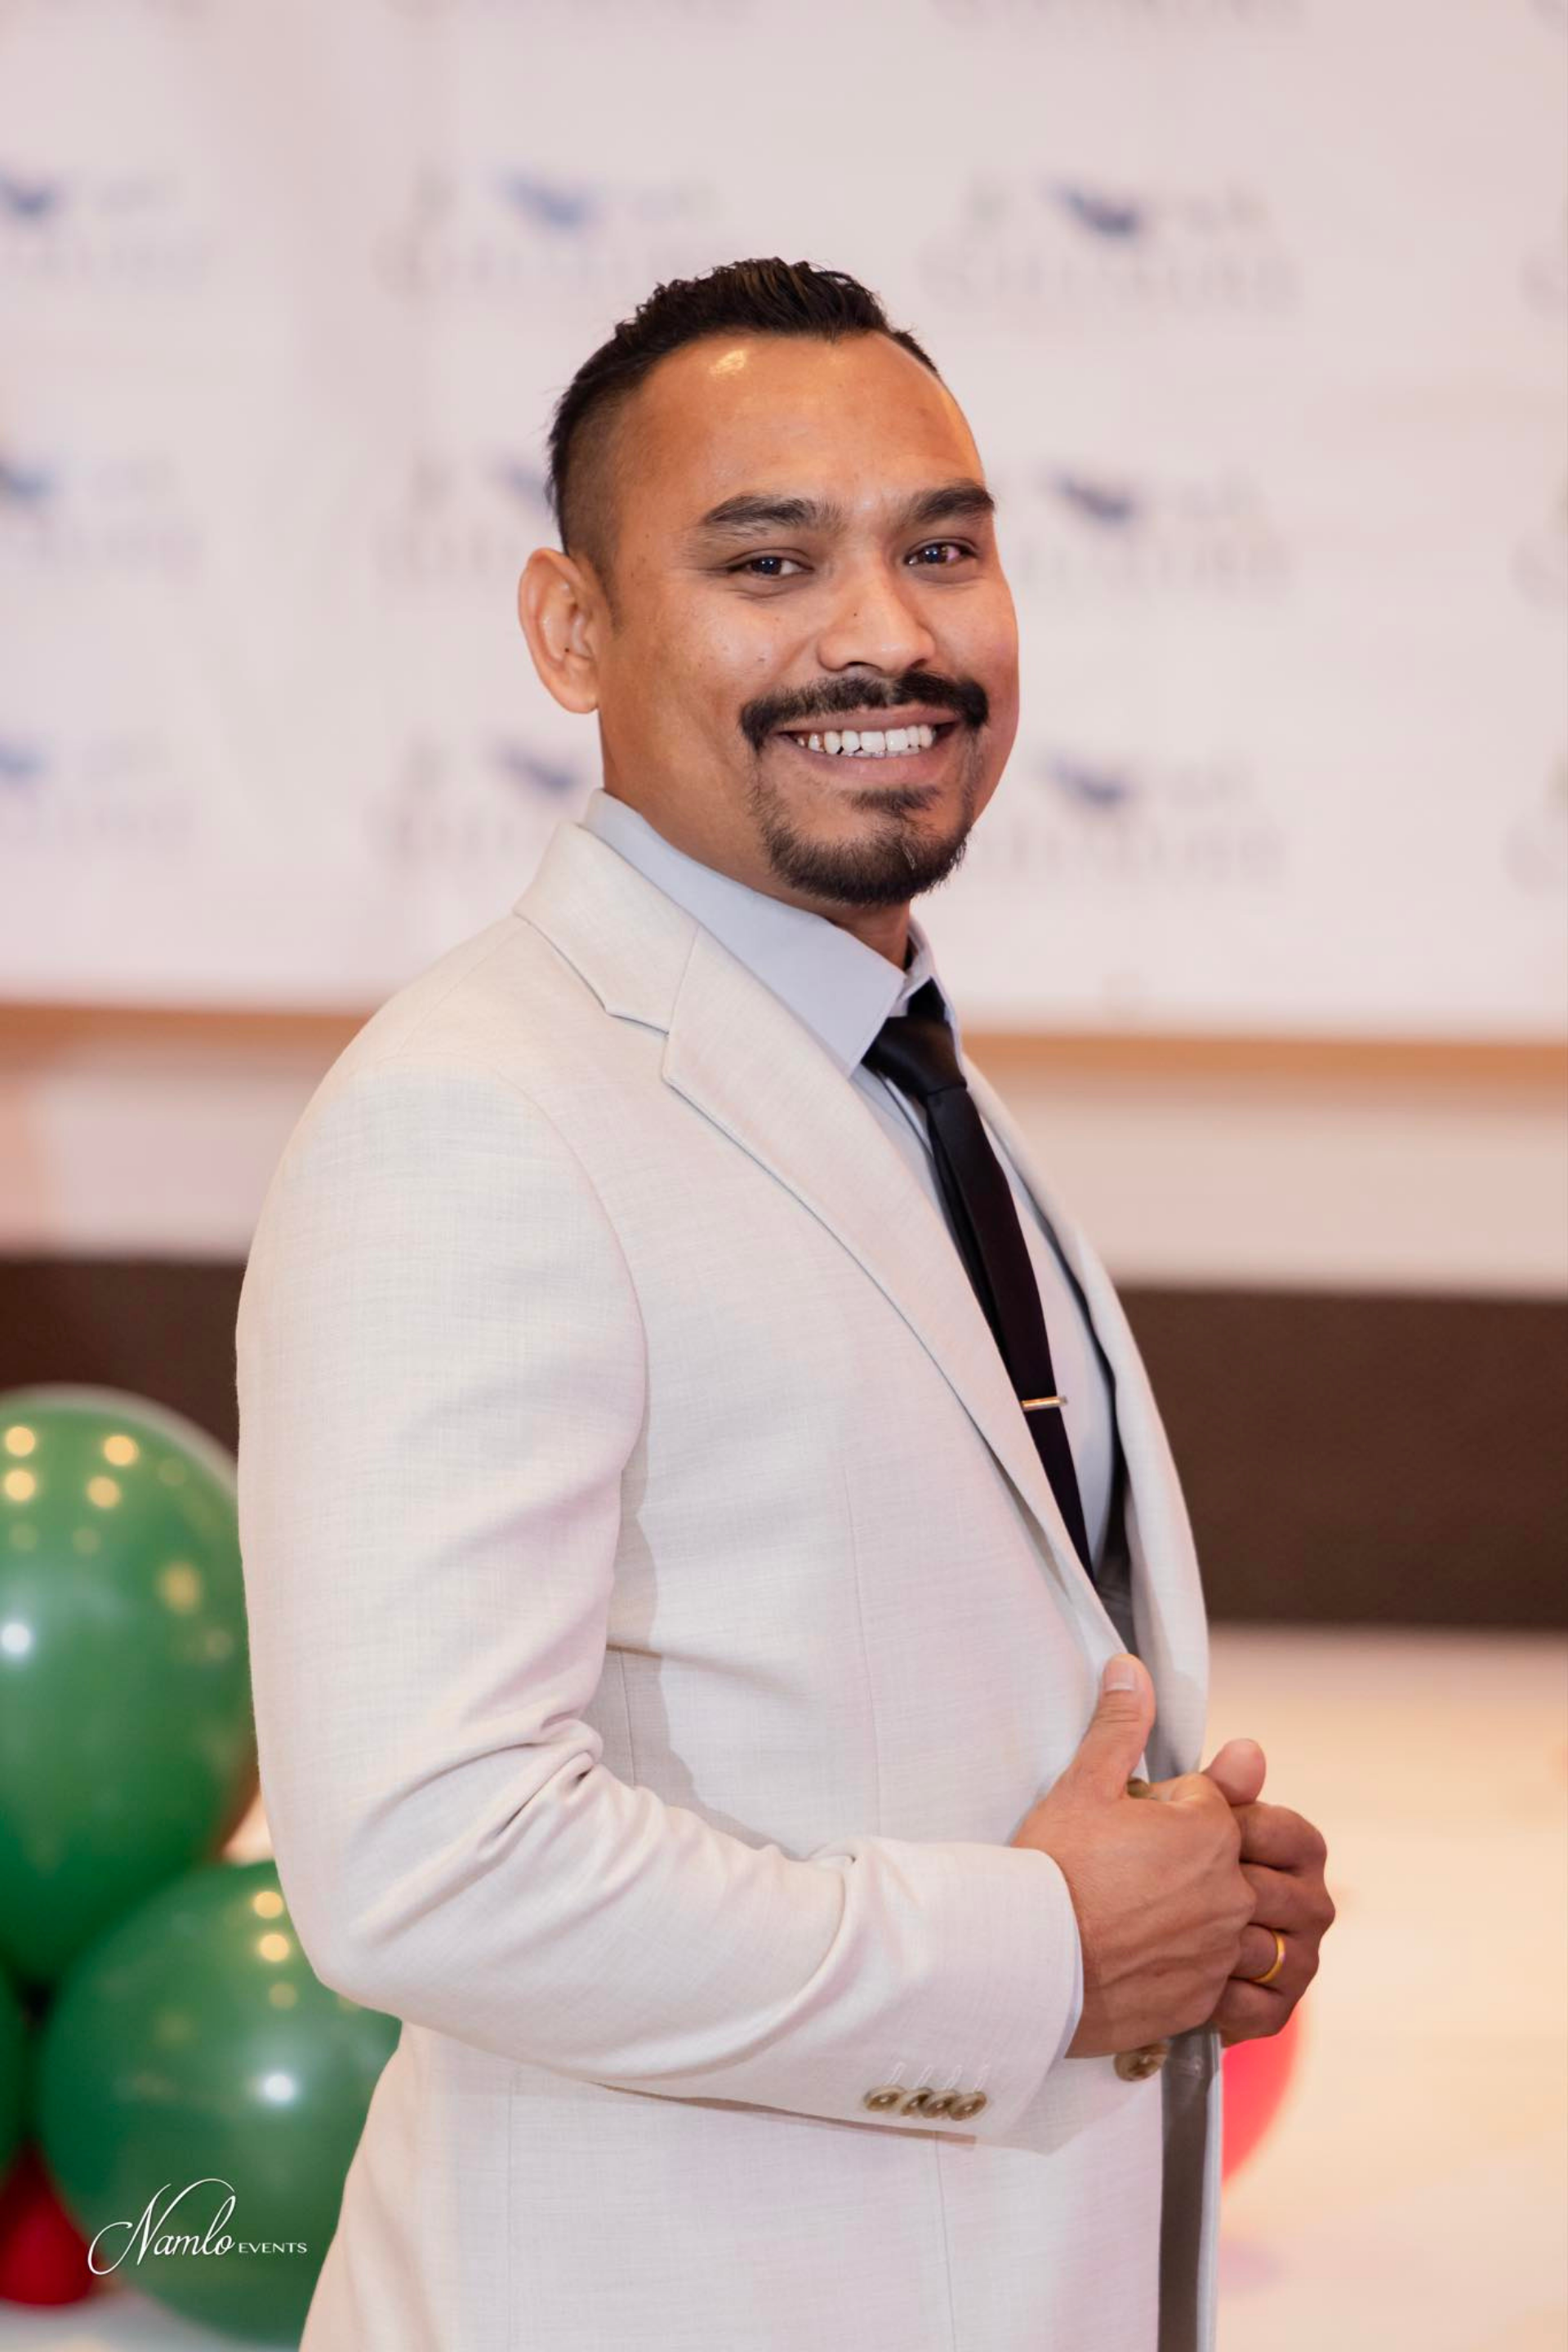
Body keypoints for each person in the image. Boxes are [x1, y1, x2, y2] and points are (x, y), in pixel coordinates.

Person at [235, 257, 1334, 2352]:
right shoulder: (472, 1113)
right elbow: (422, 1861)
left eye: (944, 548)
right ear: (576, 629)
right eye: (770, 559)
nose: (887, 636)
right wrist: (1040, 1951)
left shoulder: (894, 1064)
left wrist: (1196, 1900)